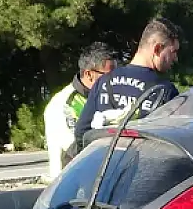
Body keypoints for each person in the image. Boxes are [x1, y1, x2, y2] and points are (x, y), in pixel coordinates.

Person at [73, 17, 182, 149]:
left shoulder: (104, 82)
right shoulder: (164, 90)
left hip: (107, 165)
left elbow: (81, 134)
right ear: (157, 49)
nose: (175, 58)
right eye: (173, 52)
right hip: (142, 166)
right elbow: (174, 143)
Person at [44, 43, 118, 179]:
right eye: (108, 76)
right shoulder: (63, 104)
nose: (114, 80)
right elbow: (77, 149)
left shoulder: (107, 96)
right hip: (70, 186)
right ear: (89, 74)